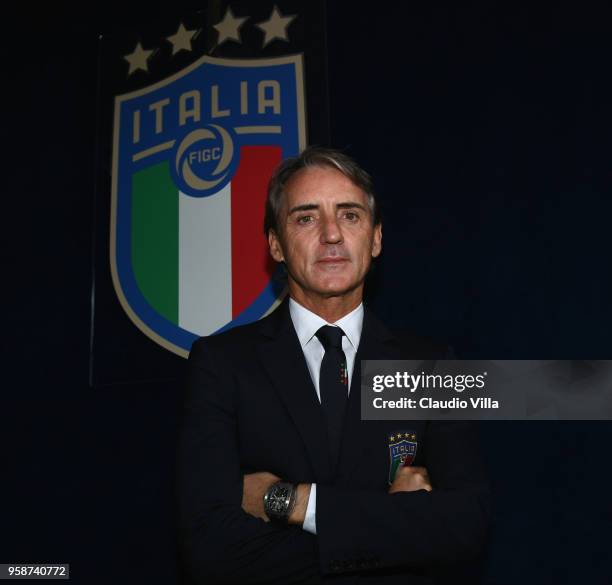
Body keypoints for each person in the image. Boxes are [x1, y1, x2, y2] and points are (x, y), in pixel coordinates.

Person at [177, 147, 490, 584]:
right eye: (306, 217)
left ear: (376, 238)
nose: (330, 235)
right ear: (275, 244)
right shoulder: (222, 364)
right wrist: (395, 523)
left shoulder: (433, 365)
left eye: (350, 215)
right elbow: (209, 549)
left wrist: (291, 502)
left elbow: (465, 526)